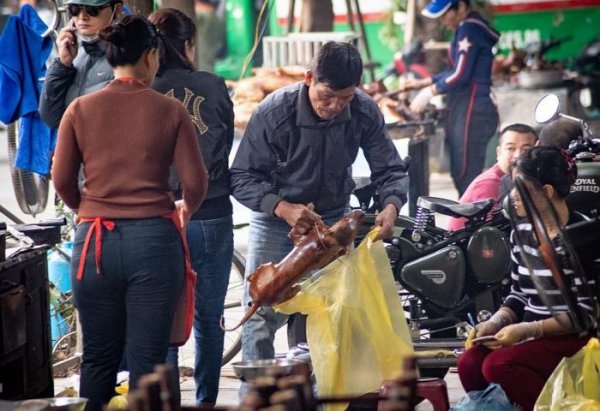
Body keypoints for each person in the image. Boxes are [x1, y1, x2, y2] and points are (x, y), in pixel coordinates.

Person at [230, 41, 409, 391]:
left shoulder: (363, 110)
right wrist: (282, 207)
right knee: (261, 309)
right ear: (309, 78)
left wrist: (391, 205)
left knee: (331, 310)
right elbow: (241, 177)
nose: (335, 107)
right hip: (276, 220)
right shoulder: (274, 112)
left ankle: (320, 393)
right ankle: (255, 396)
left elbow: (389, 168)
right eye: (327, 96)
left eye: (345, 98)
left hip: (333, 219)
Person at [51, 15, 208, 411]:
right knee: (148, 362)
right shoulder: (170, 111)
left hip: (94, 245)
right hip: (154, 244)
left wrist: (89, 209)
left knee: (98, 358)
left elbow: (62, 180)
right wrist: (186, 208)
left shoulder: (79, 110)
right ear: (152, 56)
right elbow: (195, 183)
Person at [456, 146, 597, 411]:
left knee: (499, 365)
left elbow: (585, 316)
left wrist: (527, 330)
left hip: (572, 338)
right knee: (469, 363)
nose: (513, 198)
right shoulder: (520, 233)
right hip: (529, 334)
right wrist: (498, 320)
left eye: (521, 190)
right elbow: (519, 294)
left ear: (547, 192)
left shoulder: (581, 237)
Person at [148, 8, 234, 406]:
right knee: (209, 316)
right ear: (189, 45)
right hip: (211, 212)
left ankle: (168, 403)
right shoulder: (214, 86)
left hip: (161, 216)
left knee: (166, 317)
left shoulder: (143, 91)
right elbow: (222, 148)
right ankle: (207, 401)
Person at [405, 0, 499, 196]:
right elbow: (455, 70)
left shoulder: (469, 29)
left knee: (465, 171)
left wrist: (430, 91)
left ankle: (474, 219)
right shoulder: (467, 27)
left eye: (446, 13)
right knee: (462, 170)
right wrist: (424, 82)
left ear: (462, 6)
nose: (442, 19)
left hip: (472, 108)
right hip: (467, 106)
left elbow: (461, 75)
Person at [39, 0, 123, 128]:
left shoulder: (128, 55)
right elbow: (51, 117)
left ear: (116, 9)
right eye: (74, 9)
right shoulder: (73, 50)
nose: (82, 17)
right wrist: (62, 64)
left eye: (92, 9)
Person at [447, 123, 537, 230]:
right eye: (511, 148)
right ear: (498, 152)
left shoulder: (522, 180)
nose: (517, 155)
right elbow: (492, 232)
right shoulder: (491, 183)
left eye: (526, 150)